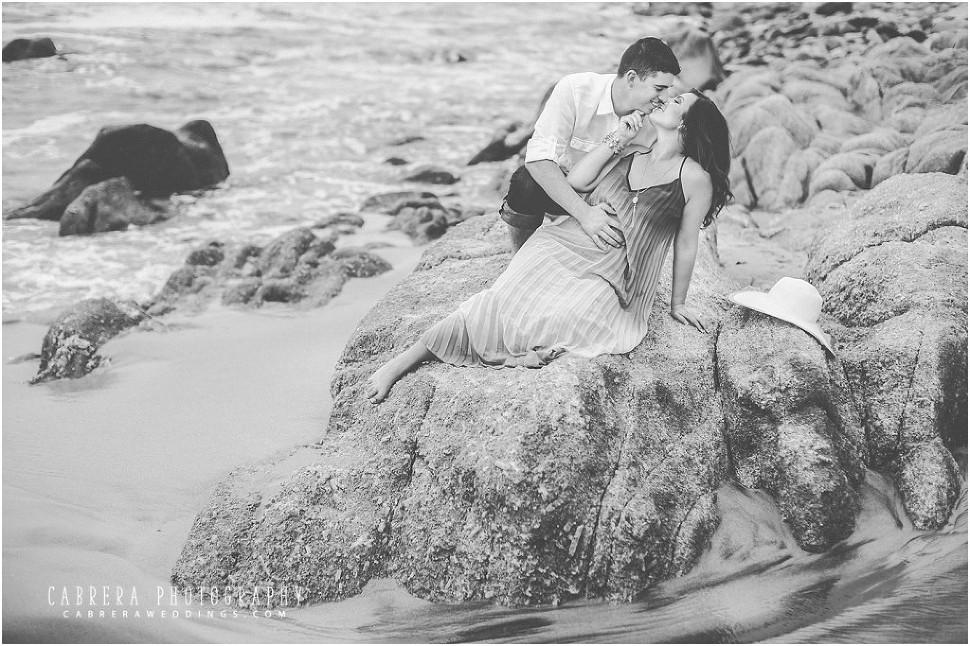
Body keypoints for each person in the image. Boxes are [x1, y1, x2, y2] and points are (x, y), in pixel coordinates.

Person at [364, 89, 732, 404]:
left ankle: (492, 349)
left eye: (677, 100)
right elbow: (578, 180)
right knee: (498, 300)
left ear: (687, 123)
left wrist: (678, 302)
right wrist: (618, 138)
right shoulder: (633, 151)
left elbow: (686, 242)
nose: (664, 98)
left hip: (618, 272)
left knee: (572, 317)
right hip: (566, 240)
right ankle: (407, 359)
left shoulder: (695, 178)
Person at [501, 37, 681, 254]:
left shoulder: (660, 116)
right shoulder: (576, 90)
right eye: (659, 88)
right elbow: (538, 160)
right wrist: (585, 214)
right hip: (567, 189)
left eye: (668, 89)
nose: (665, 97)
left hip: (615, 199)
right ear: (632, 78)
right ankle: (518, 254)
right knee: (525, 182)